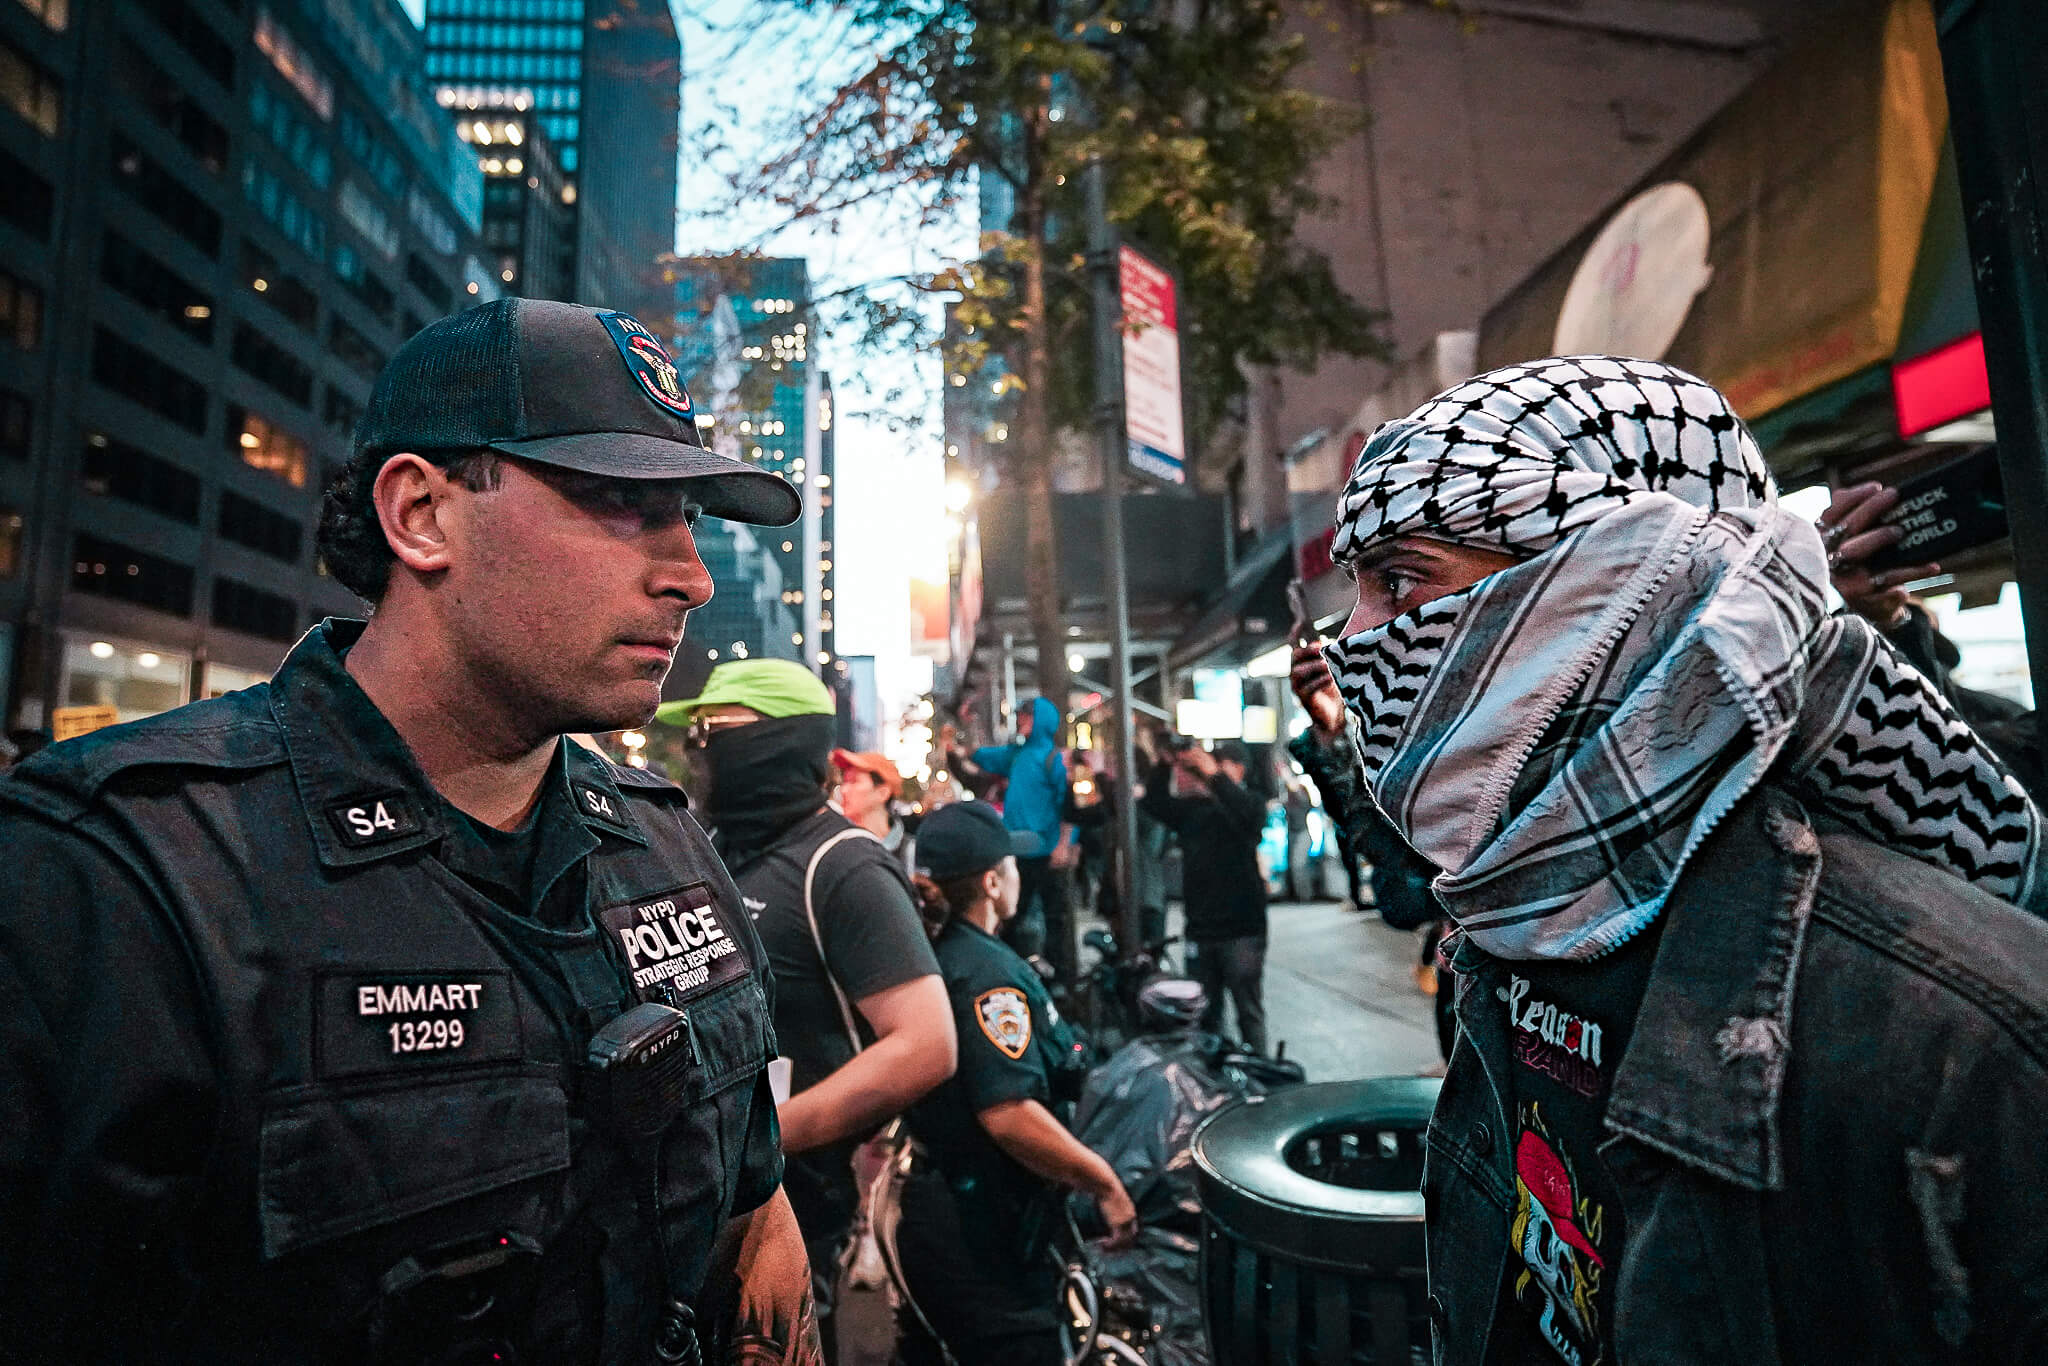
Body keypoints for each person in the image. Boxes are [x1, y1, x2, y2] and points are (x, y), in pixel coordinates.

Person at [0, 298, 819, 1363]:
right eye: (622, 502)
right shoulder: (120, 876)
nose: (690, 576)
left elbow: (751, 1211)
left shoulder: (668, 848)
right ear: (420, 514)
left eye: (691, 518)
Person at [1319, 354, 2048, 1363]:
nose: (1352, 641)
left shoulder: (1960, 1041)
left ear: (1613, 580)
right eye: (1353, 589)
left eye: (1400, 578)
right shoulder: (1513, 909)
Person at [659, 661, 956, 1363]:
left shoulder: (843, 866)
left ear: (782, 742)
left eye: (713, 731)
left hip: (796, 1208)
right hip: (699, 1198)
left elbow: (925, 1043)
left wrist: (767, 1133)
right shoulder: (712, 846)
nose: (696, 749)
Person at [892, 801, 1138, 1366]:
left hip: (951, 1216)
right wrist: (1104, 1184)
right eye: (1013, 863)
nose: (1020, 875)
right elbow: (1008, 1113)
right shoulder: (986, 974)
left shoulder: (945, 952)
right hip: (984, 1235)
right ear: (991, 880)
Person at [1139, 737, 1271, 1054]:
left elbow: (1249, 817)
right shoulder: (1194, 811)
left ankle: (1263, 1083)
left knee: (1248, 1014)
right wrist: (1165, 762)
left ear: (1238, 770)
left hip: (1241, 932)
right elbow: (1154, 802)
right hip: (1201, 929)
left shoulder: (1250, 805)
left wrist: (1213, 775)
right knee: (1205, 1017)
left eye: (1222, 765)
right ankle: (1216, 1082)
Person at [949, 697, 1080, 985]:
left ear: (1040, 720)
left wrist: (1064, 843)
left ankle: (1064, 982)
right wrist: (966, 724)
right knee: (1012, 916)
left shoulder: (1052, 760)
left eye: (1026, 716)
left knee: (1055, 919)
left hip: (1046, 851)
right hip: (1020, 852)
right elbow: (978, 755)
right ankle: (1016, 975)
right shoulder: (1017, 755)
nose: (1020, 720)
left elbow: (1069, 805)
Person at [830, 747, 913, 869]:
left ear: (882, 793)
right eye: (844, 782)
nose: (843, 790)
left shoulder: (911, 852)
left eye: (853, 782)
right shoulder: (834, 845)